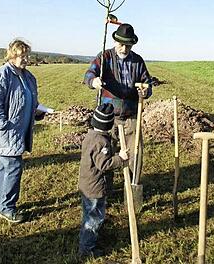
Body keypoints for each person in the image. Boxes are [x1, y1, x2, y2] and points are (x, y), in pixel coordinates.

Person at [0, 39, 45, 223]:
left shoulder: (28, 77)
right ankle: (7, 208)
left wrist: (37, 112)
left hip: (20, 131)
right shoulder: (1, 75)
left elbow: (29, 102)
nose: (25, 59)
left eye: (27, 55)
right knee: (14, 167)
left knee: (5, 167)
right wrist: (3, 125)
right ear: (12, 55)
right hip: (6, 132)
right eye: (21, 55)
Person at [84, 23, 152, 182]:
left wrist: (145, 90)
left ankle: (134, 182)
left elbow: (147, 82)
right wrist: (94, 81)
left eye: (128, 45)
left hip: (131, 116)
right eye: (121, 45)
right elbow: (89, 74)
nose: (124, 49)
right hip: (108, 118)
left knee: (135, 153)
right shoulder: (104, 57)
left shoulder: (137, 61)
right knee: (106, 153)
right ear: (115, 42)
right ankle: (106, 187)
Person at [78, 103, 129, 258]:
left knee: (89, 214)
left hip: (87, 184)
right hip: (95, 187)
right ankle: (87, 248)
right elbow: (104, 164)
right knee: (94, 218)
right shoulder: (101, 143)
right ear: (108, 125)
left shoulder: (90, 136)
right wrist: (120, 158)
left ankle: (87, 239)